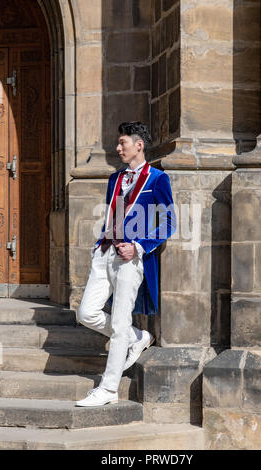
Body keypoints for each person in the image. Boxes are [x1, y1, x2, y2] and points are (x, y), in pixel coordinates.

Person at [75, 121, 176, 407]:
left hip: (130, 260)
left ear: (139, 145)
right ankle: (138, 336)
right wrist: (99, 246)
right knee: (86, 313)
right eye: (119, 144)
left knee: (119, 324)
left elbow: (169, 222)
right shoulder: (114, 179)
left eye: (122, 143)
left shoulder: (157, 180)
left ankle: (108, 389)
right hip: (105, 253)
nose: (118, 148)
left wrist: (139, 246)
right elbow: (113, 216)